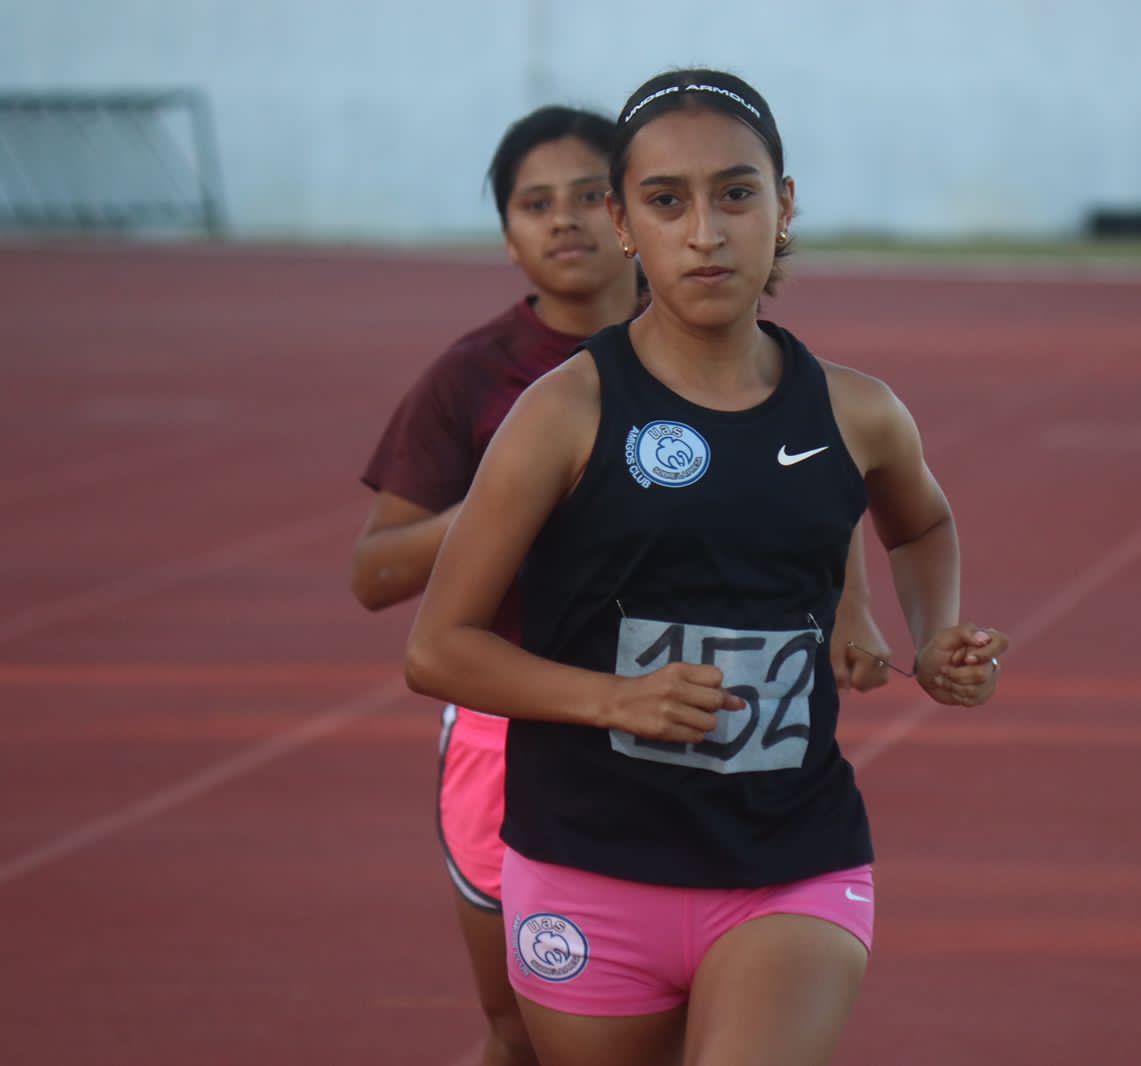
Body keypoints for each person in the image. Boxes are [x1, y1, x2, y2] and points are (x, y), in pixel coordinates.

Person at [405, 70, 1007, 1066]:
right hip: (587, 861)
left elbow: (921, 523)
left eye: (736, 193)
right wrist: (615, 699)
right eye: (666, 201)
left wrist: (934, 630)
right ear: (623, 223)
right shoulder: (563, 413)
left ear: (785, 205)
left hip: (789, 860)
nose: (706, 232)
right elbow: (439, 649)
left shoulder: (856, 412)